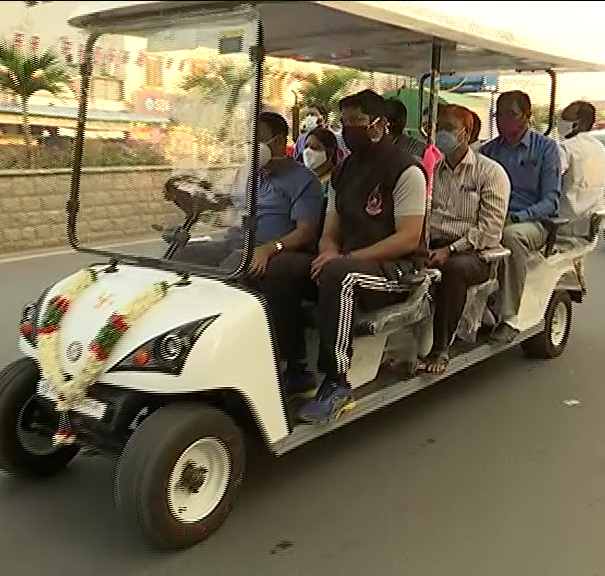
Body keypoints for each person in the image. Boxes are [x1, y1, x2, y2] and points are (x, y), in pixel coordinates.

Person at [262, 89, 428, 423]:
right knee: (281, 269)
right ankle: (296, 367)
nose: (350, 130)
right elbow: (330, 231)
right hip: (351, 261)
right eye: (345, 122)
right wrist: (329, 252)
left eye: (358, 122)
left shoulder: (406, 170)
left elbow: (408, 238)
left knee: (341, 275)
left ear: (379, 124)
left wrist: (346, 259)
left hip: (396, 271)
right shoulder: (345, 170)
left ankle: (337, 382)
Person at [174, 111, 324, 277]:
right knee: (180, 256)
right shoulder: (246, 172)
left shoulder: (304, 181)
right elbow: (230, 205)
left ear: (280, 141)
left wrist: (269, 249)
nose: (251, 147)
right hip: (233, 242)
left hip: (267, 247)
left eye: (258, 140)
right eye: (249, 141)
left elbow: (305, 232)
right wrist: (196, 205)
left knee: (231, 266)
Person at [421, 105, 510, 373]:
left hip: (473, 253)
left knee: (453, 270)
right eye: (436, 128)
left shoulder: (490, 173)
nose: (439, 135)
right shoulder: (432, 170)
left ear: (466, 132)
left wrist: (451, 249)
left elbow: (490, 229)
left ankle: (441, 347)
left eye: (447, 129)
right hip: (432, 242)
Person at [480, 90, 562, 342]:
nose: (503, 120)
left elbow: (551, 200)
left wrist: (517, 217)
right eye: (499, 115)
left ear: (526, 116)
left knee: (509, 237)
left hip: (530, 221)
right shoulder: (489, 151)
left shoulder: (546, 149)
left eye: (511, 114)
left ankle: (508, 317)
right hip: (493, 216)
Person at [556, 101, 605, 237]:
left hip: (565, 223)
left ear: (576, 123)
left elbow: (549, 178)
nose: (560, 121)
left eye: (565, 118)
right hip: (589, 223)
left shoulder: (566, 148)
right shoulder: (599, 147)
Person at [302, 126, 339, 195]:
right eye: (306, 146)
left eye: (314, 148)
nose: (307, 152)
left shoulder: (336, 181)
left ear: (330, 152)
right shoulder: (304, 180)